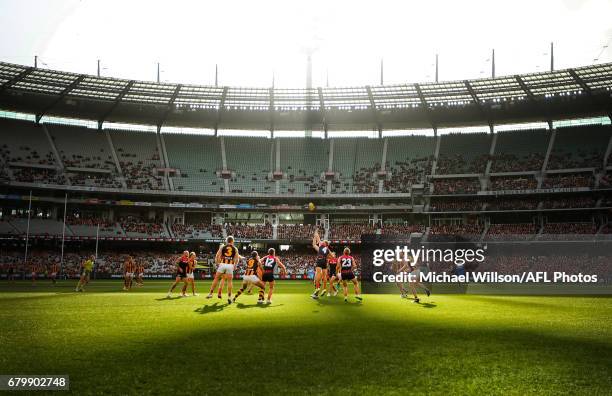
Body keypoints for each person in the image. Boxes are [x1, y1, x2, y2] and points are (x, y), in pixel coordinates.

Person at [206, 236, 239, 304]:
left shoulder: (222, 247)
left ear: (227, 241)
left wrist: (217, 263)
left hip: (222, 264)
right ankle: (229, 297)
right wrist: (235, 265)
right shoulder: (235, 248)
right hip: (230, 265)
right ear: (232, 241)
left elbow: (217, 255)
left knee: (216, 279)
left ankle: (210, 293)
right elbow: (237, 258)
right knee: (229, 281)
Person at [310, 229, 331, 299]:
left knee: (317, 276)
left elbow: (317, 238)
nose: (321, 242)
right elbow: (314, 245)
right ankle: (324, 288)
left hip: (320, 260)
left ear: (324, 243)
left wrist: (316, 232)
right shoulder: (327, 249)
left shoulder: (321, 245)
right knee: (324, 276)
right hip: (325, 261)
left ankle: (317, 288)